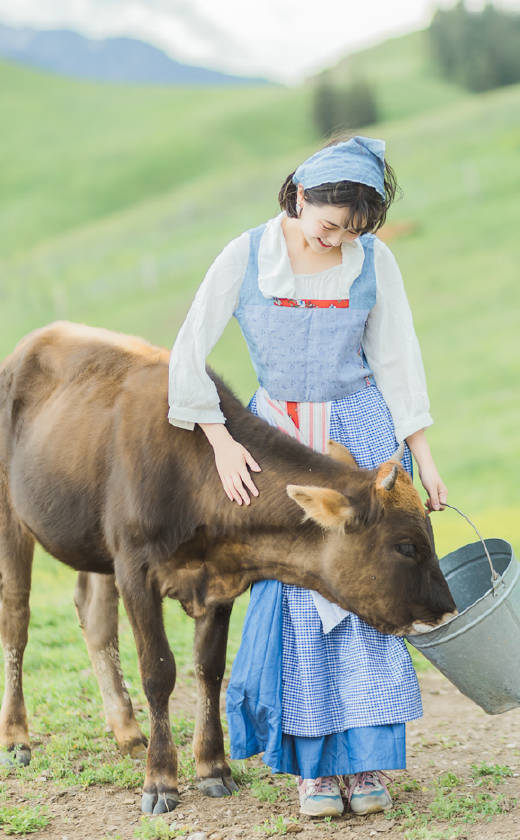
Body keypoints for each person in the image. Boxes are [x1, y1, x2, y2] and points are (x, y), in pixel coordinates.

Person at [168, 135, 448, 818]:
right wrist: (221, 440)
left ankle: (365, 763)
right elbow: (187, 351)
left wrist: (425, 458)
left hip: (363, 438)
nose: (335, 242)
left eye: (350, 233)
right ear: (298, 197)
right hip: (279, 447)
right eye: (328, 226)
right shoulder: (245, 256)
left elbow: (398, 360)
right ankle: (313, 770)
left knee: (374, 589)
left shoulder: (375, 262)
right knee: (296, 600)